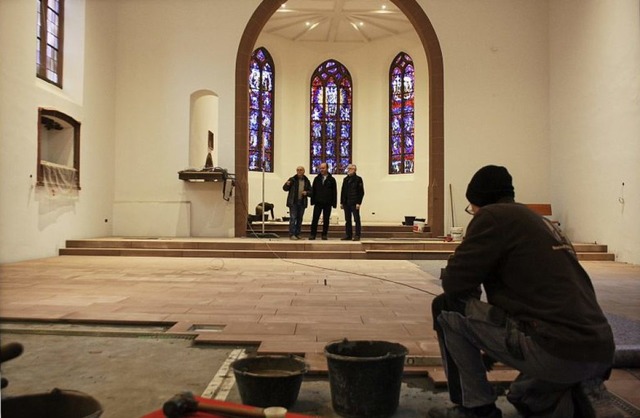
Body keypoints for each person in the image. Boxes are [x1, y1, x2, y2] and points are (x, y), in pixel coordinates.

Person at [429, 165, 619, 418]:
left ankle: (476, 408)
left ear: (477, 201)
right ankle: (580, 389)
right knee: (523, 396)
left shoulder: (492, 217)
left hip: (555, 349)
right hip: (599, 351)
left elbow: (454, 283)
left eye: (471, 207)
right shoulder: (540, 223)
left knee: (446, 307)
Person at [309, 162, 337, 240]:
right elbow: (313, 190)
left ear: (327, 169)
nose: (322, 170)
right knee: (315, 219)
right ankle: (312, 234)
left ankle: (324, 234)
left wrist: (334, 203)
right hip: (318, 202)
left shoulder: (331, 179)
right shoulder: (317, 178)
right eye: (321, 168)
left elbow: (334, 192)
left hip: (327, 202)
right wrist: (312, 201)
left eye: (323, 168)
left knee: (326, 219)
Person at [282, 166, 311, 240]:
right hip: (293, 202)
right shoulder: (292, 179)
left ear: (304, 171)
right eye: (297, 170)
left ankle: (298, 234)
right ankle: (292, 234)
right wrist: (287, 184)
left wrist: (306, 192)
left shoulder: (307, 180)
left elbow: (311, 192)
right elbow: (285, 189)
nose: (299, 171)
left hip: (302, 202)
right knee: (293, 218)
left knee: (299, 219)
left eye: (301, 170)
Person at [340, 164, 365, 241]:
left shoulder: (358, 179)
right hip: (346, 202)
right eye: (348, 169)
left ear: (354, 170)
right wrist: (341, 202)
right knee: (347, 220)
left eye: (351, 169)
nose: (349, 170)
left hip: (354, 202)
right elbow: (343, 191)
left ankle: (357, 235)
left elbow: (361, 192)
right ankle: (348, 235)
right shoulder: (346, 179)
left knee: (356, 219)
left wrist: (358, 202)